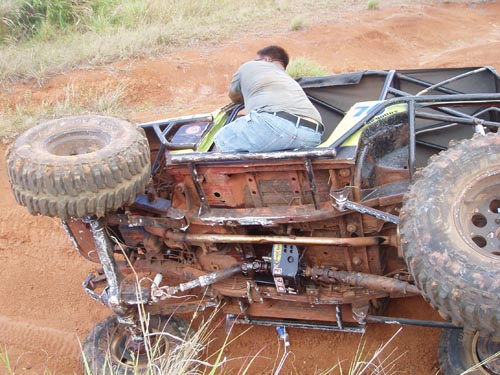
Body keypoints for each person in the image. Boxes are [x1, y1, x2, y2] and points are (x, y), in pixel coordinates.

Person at [213, 45, 323, 152]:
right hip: (313, 135)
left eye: (257, 59)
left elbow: (234, 97)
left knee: (222, 139)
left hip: (277, 126)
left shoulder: (250, 66)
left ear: (266, 59)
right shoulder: (288, 80)